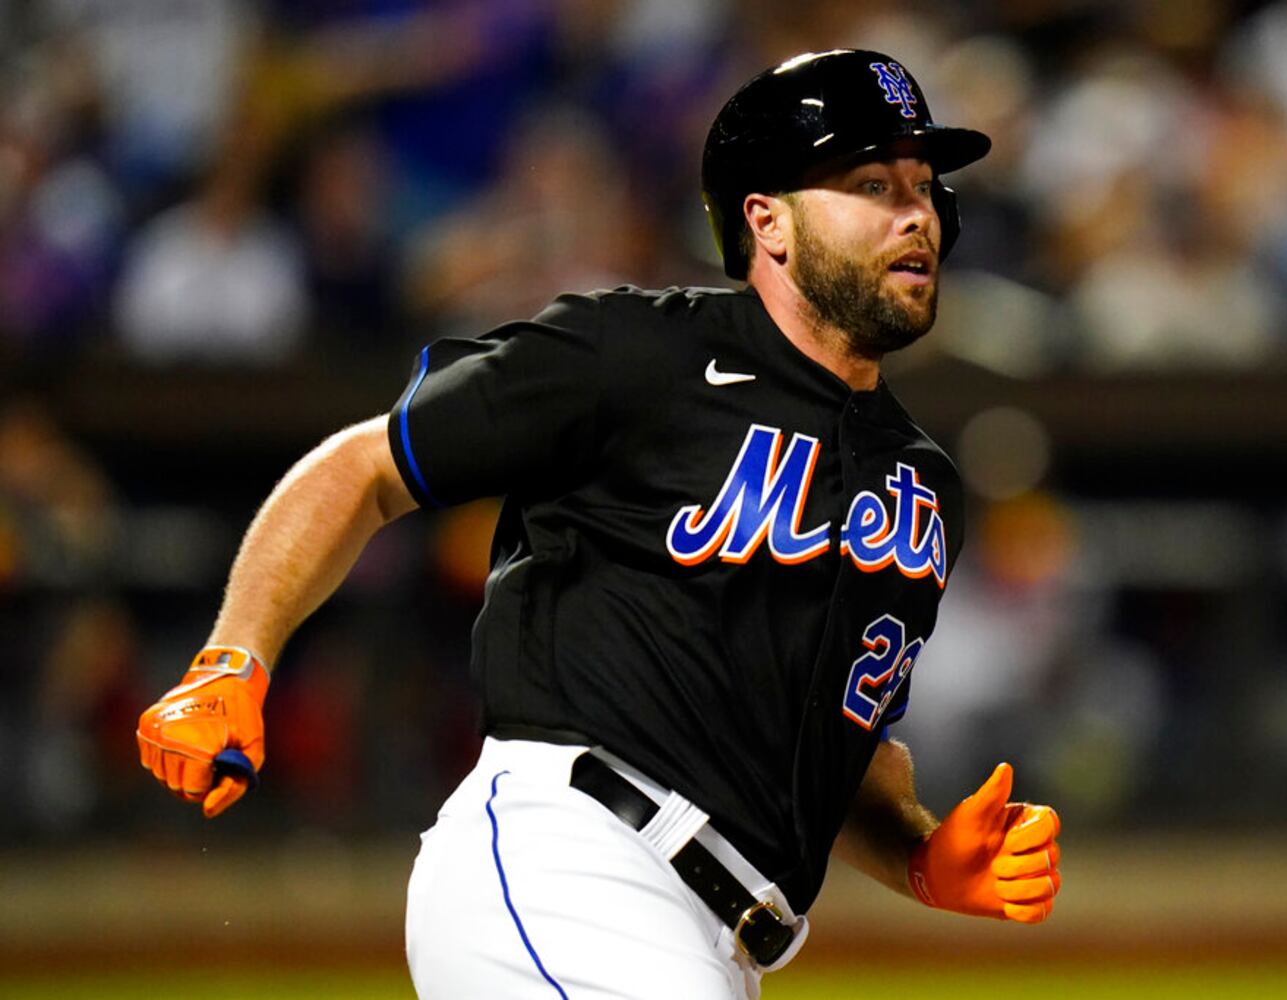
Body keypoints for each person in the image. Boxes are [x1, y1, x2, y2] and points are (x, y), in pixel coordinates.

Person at [136, 49, 1062, 1000]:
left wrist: (917, 854)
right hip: (573, 859)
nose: (917, 214)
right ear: (767, 221)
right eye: (871, 183)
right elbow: (364, 466)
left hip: (720, 939)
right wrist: (232, 659)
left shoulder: (921, 482)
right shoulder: (640, 350)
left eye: (923, 185)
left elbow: (829, 744)